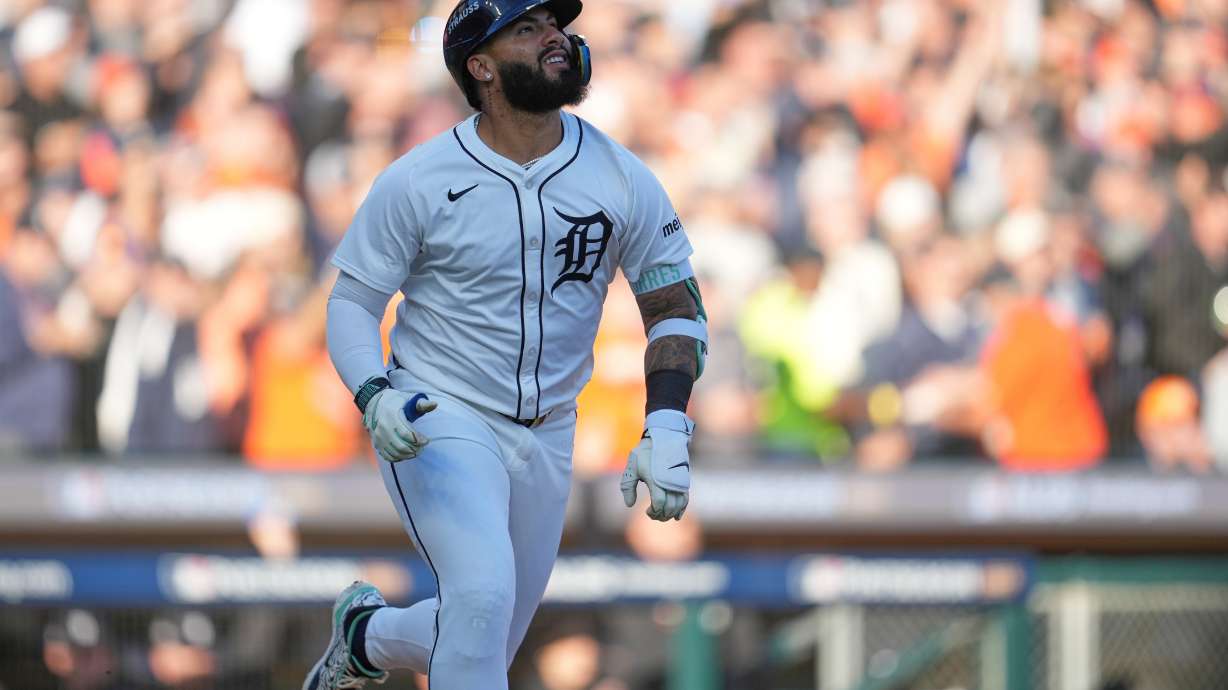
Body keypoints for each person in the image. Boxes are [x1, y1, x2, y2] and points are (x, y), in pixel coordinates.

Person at [303, 1, 706, 688]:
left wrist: (666, 419)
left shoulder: (619, 173)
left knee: (480, 634)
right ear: (480, 66)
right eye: (526, 28)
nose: (554, 34)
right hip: (439, 411)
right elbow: (352, 302)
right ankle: (370, 637)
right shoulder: (418, 178)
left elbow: (674, 305)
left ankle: (367, 637)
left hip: (550, 429)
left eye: (554, 22)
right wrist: (372, 394)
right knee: (482, 601)